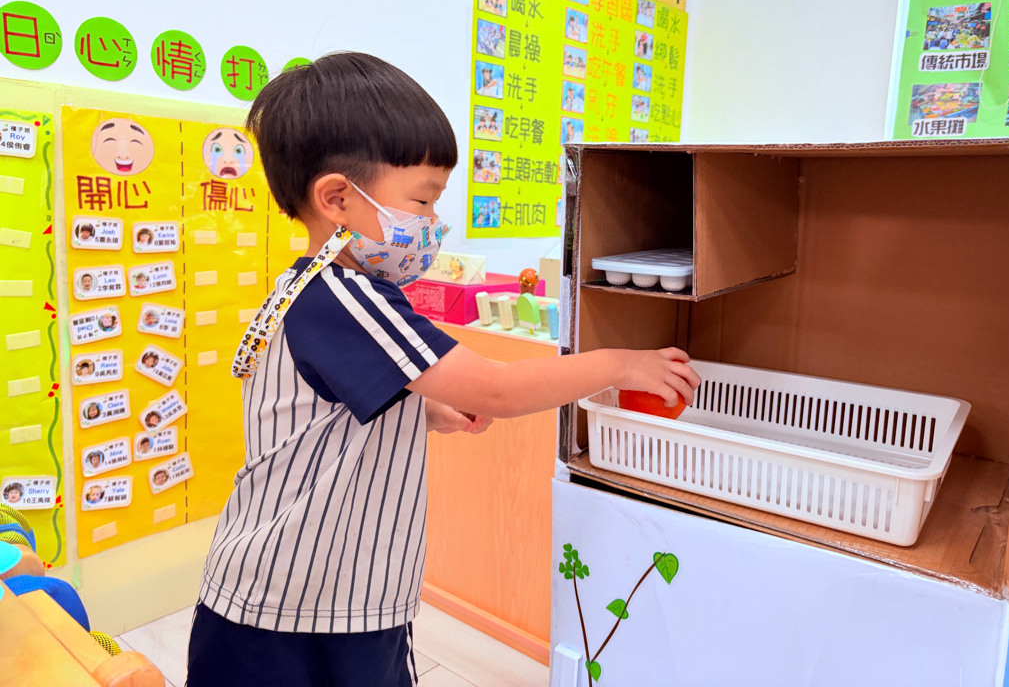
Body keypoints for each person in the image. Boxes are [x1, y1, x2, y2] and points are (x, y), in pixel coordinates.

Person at [186, 52, 699, 687]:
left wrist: (423, 412)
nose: (432, 224)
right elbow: (499, 388)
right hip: (302, 601)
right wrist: (619, 363)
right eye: (422, 201)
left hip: (295, 588)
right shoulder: (350, 298)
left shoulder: (309, 287)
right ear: (337, 198)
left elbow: (318, 411)